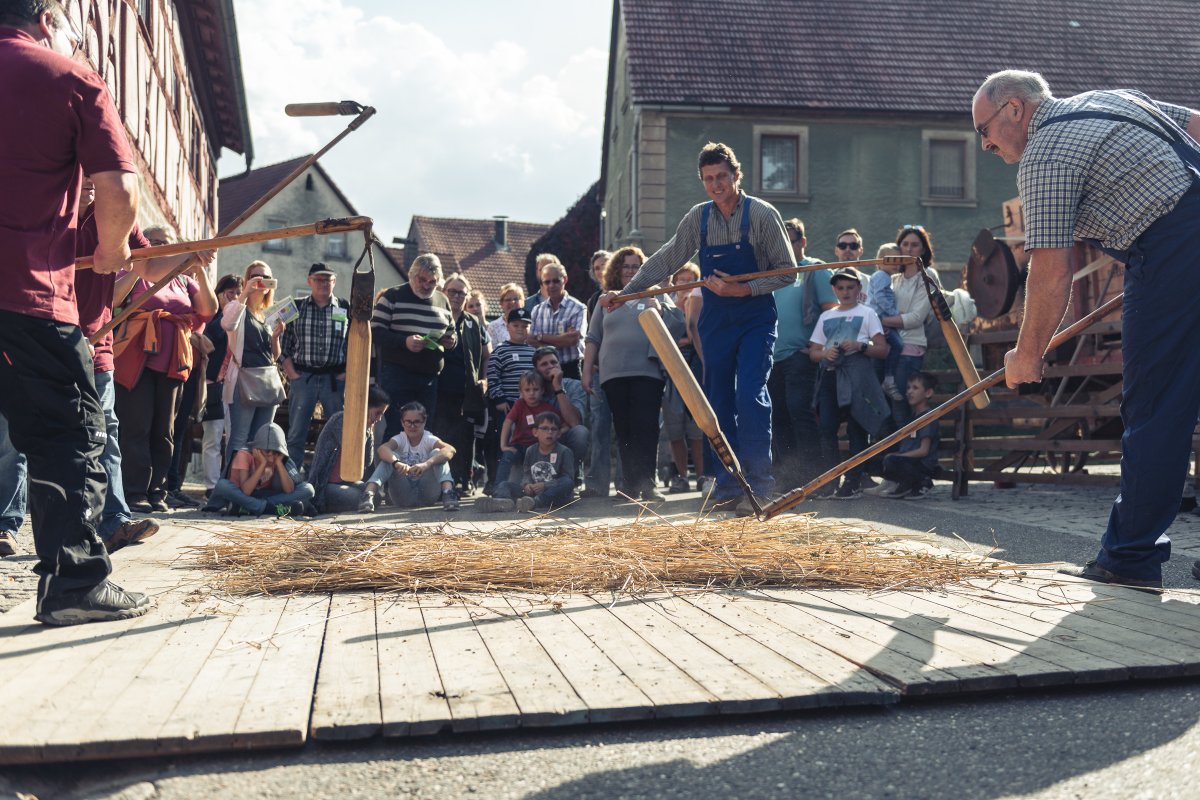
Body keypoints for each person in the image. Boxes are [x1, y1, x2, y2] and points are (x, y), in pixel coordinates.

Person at [973, 69, 1200, 590]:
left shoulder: (1044, 155)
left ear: (1014, 109)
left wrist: (1026, 356)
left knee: (1155, 407)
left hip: (1167, 248)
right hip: (1182, 234)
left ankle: (1130, 557)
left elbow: (1050, 271)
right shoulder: (1116, 98)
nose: (984, 145)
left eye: (983, 130)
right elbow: (1196, 126)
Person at [0, 0, 149, 624]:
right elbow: (117, 187)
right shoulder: (69, 77)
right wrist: (112, 252)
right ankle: (73, 585)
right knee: (71, 435)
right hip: (25, 292)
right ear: (47, 18)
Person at [601, 142, 796, 513]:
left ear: (737, 175)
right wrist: (626, 293)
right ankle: (727, 485)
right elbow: (668, 258)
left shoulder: (762, 215)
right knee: (715, 401)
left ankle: (760, 484)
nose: (716, 185)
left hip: (755, 319)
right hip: (716, 322)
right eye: (709, 179)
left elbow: (787, 272)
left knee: (751, 395)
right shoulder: (698, 218)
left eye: (722, 176)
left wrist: (743, 288)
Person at [72, 177, 163, 548]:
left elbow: (153, 267)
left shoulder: (114, 215)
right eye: (83, 171)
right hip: (43, 341)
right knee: (20, 434)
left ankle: (114, 521)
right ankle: (8, 523)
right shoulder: (46, 210)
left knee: (105, 432)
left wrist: (192, 259)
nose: (92, 179)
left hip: (98, 347)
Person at [112, 224, 217, 513]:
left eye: (167, 244)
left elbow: (208, 310)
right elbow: (113, 300)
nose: (161, 247)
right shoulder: (133, 272)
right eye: (154, 242)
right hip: (136, 357)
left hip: (172, 359)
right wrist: (140, 266)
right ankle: (135, 493)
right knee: (137, 426)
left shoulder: (184, 280)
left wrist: (197, 267)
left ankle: (157, 492)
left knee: (164, 429)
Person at [588, 247, 678, 503]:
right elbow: (593, 337)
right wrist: (586, 374)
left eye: (635, 266)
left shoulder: (655, 294)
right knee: (624, 429)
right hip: (613, 373)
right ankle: (628, 486)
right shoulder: (606, 300)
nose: (630, 271)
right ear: (617, 270)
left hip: (648, 372)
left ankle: (648, 484)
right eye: (626, 266)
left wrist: (658, 309)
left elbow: (678, 322)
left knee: (647, 427)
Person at [808, 268, 889, 500]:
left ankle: (853, 482)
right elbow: (813, 351)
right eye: (841, 288)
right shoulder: (826, 316)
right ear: (834, 290)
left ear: (858, 289)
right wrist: (826, 354)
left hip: (857, 374)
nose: (845, 292)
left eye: (850, 287)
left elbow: (883, 349)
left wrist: (860, 346)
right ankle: (830, 481)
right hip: (831, 375)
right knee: (827, 429)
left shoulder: (868, 313)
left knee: (857, 427)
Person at [767, 218, 835, 490]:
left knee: (799, 412)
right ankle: (788, 478)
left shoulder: (814, 270)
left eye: (790, 240)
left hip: (801, 354)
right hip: (772, 357)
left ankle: (813, 477)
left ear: (802, 242)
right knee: (778, 416)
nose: (784, 245)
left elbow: (831, 311)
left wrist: (817, 345)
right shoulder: (770, 275)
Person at [371, 253, 455, 440]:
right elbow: (375, 331)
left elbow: (452, 331)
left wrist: (451, 341)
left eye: (432, 281)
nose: (426, 285)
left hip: (429, 378)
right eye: (421, 279)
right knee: (397, 428)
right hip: (397, 374)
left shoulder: (443, 300)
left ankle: (417, 469)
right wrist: (404, 342)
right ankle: (394, 468)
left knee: (424, 431)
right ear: (411, 275)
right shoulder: (392, 296)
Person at [281, 262, 351, 471]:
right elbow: (283, 342)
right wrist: (292, 373)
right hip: (304, 377)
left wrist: (348, 372)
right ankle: (292, 478)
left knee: (339, 431)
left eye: (327, 279)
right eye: (318, 279)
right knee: (296, 433)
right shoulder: (295, 306)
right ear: (309, 281)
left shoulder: (345, 308)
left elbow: (354, 343)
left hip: (334, 379)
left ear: (334, 282)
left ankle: (334, 475)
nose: (323, 284)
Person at [219, 261, 284, 472]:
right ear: (247, 279)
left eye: (265, 277)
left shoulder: (267, 314)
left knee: (261, 440)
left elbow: (275, 355)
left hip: (266, 382)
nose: (260, 281)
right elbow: (227, 324)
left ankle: (251, 487)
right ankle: (229, 490)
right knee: (239, 440)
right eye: (255, 276)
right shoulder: (236, 307)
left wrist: (275, 338)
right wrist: (245, 292)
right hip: (243, 380)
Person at [433, 272, 489, 500]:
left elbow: (487, 355)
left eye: (461, 293)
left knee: (465, 437)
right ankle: (441, 483)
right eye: (452, 291)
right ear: (443, 292)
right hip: (438, 388)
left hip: (465, 391)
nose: (456, 296)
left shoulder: (472, 322)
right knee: (439, 436)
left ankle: (464, 481)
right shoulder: (434, 316)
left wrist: (484, 379)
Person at [878, 226, 936, 426]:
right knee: (884, 407)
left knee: (901, 406)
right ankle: (889, 454)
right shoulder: (892, 279)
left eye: (914, 245)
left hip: (910, 348)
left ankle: (905, 454)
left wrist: (880, 319)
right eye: (905, 244)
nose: (909, 249)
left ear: (923, 250)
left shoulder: (927, 276)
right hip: (886, 347)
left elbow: (916, 318)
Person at [308, 385, 391, 514]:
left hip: (347, 482)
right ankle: (322, 505)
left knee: (377, 496)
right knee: (359, 498)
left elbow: (367, 462)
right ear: (366, 406)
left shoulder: (367, 425)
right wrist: (365, 430)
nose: (379, 418)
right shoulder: (341, 419)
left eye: (382, 414)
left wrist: (369, 431)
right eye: (378, 413)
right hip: (326, 484)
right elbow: (352, 454)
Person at [209, 422, 315, 517]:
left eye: (275, 452)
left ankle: (251, 508)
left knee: (308, 489)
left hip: (266, 496)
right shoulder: (244, 455)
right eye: (267, 452)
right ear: (257, 449)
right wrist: (262, 464)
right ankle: (271, 509)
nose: (271, 458)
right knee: (222, 486)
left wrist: (279, 463)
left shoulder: (280, 458)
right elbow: (246, 491)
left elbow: (289, 490)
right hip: (243, 495)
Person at [479, 411, 575, 513]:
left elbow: (568, 478)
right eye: (545, 428)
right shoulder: (531, 450)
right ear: (535, 432)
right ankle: (503, 501)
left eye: (554, 429)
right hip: (532, 493)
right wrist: (527, 485)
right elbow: (527, 473)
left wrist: (545, 485)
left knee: (567, 483)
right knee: (504, 485)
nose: (550, 432)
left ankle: (535, 503)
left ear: (559, 433)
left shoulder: (564, 451)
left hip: (553, 494)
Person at [661, 263, 704, 494]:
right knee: (675, 430)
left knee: (697, 430)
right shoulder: (667, 307)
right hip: (671, 375)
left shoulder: (700, 305)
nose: (686, 284)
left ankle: (701, 476)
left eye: (691, 279)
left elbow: (697, 335)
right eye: (682, 280)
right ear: (674, 283)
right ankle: (680, 476)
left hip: (694, 371)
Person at [199, 274, 242, 499]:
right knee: (213, 436)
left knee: (234, 436)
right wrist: (226, 311)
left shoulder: (242, 319)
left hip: (233, 385)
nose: (234, 297)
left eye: (238, 293)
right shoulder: (212, 319)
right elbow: (210, 339)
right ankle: (211, 486)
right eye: (230, 293)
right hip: (213, 385)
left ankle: (229, 482)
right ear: (219, 294)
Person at [376, 401, 458, 511]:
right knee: (389, 456)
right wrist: (396, 462)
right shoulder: (399, 438)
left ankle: (448, 493)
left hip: (427, 494)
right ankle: (368, 493)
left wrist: (426, 464)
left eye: (417, 422)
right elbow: (382, 449)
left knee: (438, 453)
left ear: (424, 422)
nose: (412, 426)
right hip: (403, 496)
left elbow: (450, 449)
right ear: (402, 422)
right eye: (408, 422)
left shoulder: (428, 438)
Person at [870, 372, 940, 500]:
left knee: (891, 460)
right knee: (871, 461)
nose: (909, 392)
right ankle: (904, 484)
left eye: (915, 388)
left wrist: (898, 456)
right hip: (908, 461)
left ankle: (923, 482)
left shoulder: (928, 417)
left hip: (922, 465)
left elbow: (924, 451)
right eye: (908, 388)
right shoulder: (912, 417)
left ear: (928, 393)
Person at [496, 370, 564, 485]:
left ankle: (546, 487)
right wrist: (503, 445)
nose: (531, 393)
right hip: (519, 445)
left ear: (542, 391)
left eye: (535, 389)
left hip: (537, 447)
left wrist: (557, 434)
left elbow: (564, 424)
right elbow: (507, 422)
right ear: (521, 392)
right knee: (507, 457)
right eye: (527, 390)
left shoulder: (547, 408)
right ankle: (498, 488)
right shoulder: (519, 404)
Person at [532, 345, 589, 481]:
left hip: (563, 439)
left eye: (553, 362)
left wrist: (558, 387)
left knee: (580, 432)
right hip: (538, 443)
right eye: (544, 364)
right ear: (536, 370)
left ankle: (570, 477)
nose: (550, 366)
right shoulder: (531, 389)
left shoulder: (575, 386)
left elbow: (575, 423)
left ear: (560, 365)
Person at [529, 260, 587, 380]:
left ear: (565, 280)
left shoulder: (578, 308)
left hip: (570, 369)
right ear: (542, 284)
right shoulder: (537, 310)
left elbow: (572, 340)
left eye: (556, 281)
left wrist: (541, 337)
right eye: (547, 282)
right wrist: (561, 339)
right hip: (543, 371)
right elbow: (530, 340)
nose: (551, 285)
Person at [865, 243, 906, 401]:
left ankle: (885, 381)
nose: (896, 264)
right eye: (891, 260)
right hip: (880, 319)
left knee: (889, 347)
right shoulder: (882, 276)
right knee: (897, 345)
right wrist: (894, 314)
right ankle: (888, 380)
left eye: (898, 260)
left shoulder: (883, 277)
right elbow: (881, 297)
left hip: (880, 319)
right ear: (880, 261)